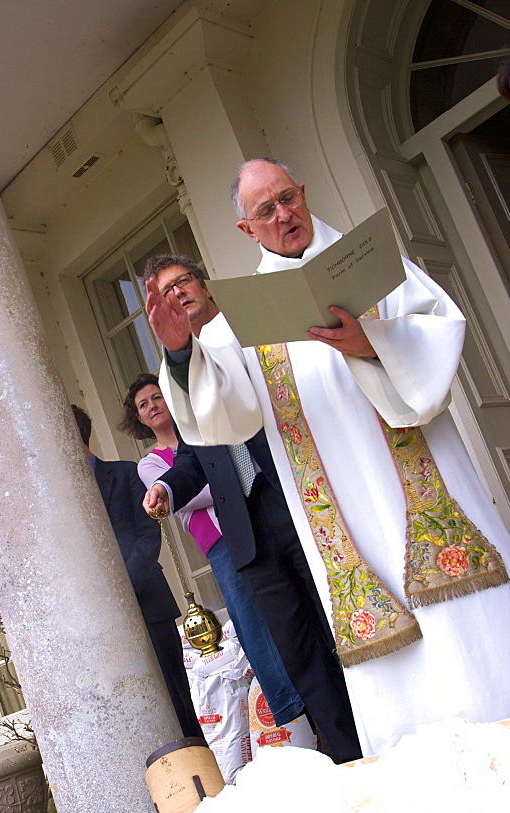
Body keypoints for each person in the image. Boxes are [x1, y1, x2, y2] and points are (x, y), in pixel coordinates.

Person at [145, 158, 510, 757]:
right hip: (344, 518)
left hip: (421, 492)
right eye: (265, 209)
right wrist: (183, 354)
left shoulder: (374, 267)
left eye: (287, 197)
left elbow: (439, 330)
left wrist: (376, 342)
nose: (283, 213)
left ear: (303, 193)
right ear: (247, 231)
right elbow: (223, 418)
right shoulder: (240, 318)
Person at [139, 257, 362, 764]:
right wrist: (168, 490)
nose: (178, 295)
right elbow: (196, 455)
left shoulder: (251, 335)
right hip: (245, 532)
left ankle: (382, 727)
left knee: (340, 627)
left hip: (300, 506)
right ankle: (350, 759)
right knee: (300, 653)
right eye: (165, 292)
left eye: (183, 282)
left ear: (205, 283)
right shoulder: (178, 373)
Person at [119, 370, 305, 730]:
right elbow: (192, 495)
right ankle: (287, 703)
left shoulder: (201, 433)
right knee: (250, 619)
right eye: (144, 405)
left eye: (157, 397)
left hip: (258, 524)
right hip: (220, 544)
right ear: (139, 418)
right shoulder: (151, 463)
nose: (153, 406)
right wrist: (227, 472)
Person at [71, 404, 202, 739]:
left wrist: (121, 589)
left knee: (177, 698)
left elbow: (147, 535)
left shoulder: (128, 473)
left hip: (148, 603)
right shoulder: (62, 499)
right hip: (100, 622)